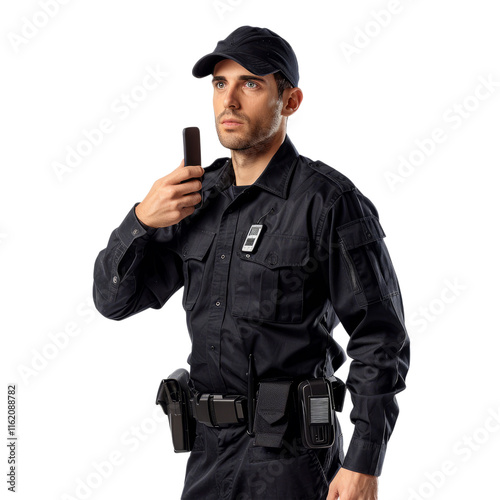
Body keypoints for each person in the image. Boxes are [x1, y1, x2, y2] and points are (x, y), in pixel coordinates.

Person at [93, 25, 410, 500]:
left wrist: (364, 460)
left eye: (251, 84)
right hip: (206, 459)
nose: (229, 101)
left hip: (291, 464)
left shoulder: (327, 201)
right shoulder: (194, 200)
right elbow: (114, 302)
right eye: (220, 83)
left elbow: (381, 336)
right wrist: (140, 220)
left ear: (291, 101)